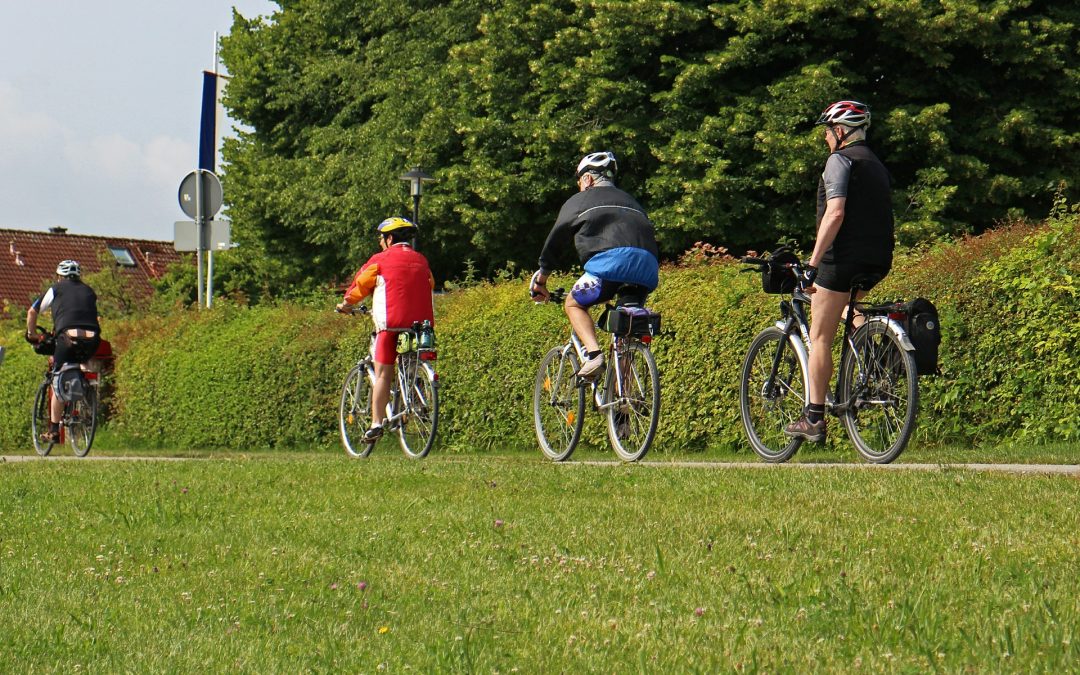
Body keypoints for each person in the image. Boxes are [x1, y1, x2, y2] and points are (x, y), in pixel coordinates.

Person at [785, 100, 895, 442]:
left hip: (841, 259)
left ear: (840, 131)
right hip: (878, 258)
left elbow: (835, 213)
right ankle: (873, 355)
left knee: (820, 336)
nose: (826, 139)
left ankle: (814, 417)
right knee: (849, 307)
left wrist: (813, 264)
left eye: (827, 132)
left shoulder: (839, 160)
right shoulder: (876, 164)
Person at [529, 151, 660, 378]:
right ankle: (623, 406)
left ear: (588, 179)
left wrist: (542, 278)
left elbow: (556, 240)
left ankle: (594, 355)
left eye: (580, 181)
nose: (580, 186)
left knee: (573, 304)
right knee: (626, 331)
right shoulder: (632, 201)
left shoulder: (581, 200)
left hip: (610, 264)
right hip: (647, 267)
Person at [337, 217, 435, 444]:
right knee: (410, 363)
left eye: (382, 239)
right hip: (421, 326)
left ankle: (376, 423)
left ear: (389, 238)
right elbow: (429, 284)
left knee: (383, 373)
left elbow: (359, 286)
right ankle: (417, 397)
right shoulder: (421, 260)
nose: (381, 243)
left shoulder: (379, 260)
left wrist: (346, 305)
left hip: (390, 326)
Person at [25, 260, 101, 443]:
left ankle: (52, 431)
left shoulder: (55, 289)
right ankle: (84, 390)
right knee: (81, 361)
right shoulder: (89, 291)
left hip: (66, 339)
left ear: (59, 276)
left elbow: (31, 312)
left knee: (57, 380)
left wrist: (32, 334)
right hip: (93, 339)